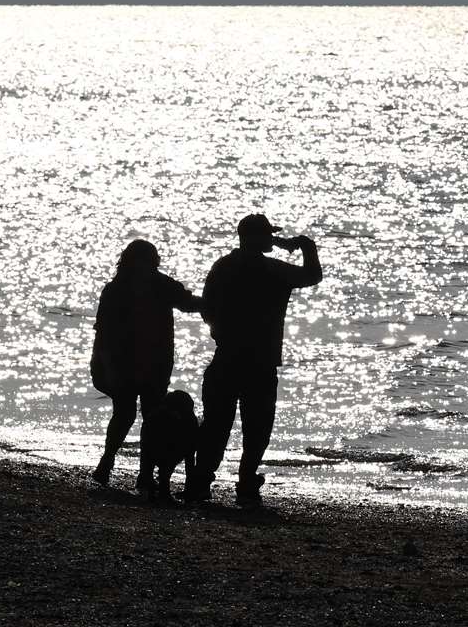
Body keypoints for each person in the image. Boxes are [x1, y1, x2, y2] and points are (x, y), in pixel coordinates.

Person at [184, 213, 322, 507]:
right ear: (257, 238)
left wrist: (221, 332)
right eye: (268, 235)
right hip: (260, 360)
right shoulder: (272, 269)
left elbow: (207, 308)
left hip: (226, 356)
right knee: (257, 427)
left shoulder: (222, 266)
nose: (272, 240)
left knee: (215, 424)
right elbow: (312, 276)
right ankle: (246, 481)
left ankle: (201, 481)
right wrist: (306, 246)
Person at [89, 239, 204, 491]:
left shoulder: (160, 285)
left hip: (154, 364)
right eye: (144, 261)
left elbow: (188, 303)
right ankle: (108, 461)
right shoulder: (116, 290)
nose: (147, 267)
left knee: (151, 416)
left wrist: (213, 304)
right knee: (126, 412)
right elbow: (104, 333)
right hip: (122, 364)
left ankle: (144, 474)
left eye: (150, 262)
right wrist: (106, 366)